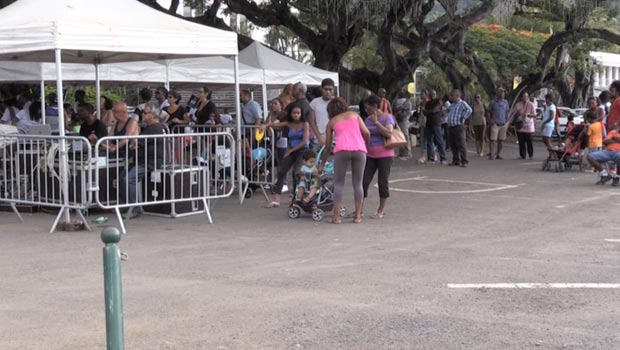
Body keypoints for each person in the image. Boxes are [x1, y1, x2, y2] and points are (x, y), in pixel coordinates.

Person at [318, 98, 370, 224]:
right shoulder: (354, 115)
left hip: (341, 150)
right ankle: (358, 215)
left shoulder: (331, 122)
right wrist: (365, 146)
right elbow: (367, 132)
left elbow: (328, 146)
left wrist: (322, 164)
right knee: (358, 183)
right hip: (359, 150)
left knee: (339, 183)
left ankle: (336, 217)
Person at [119, 102, 165, 219]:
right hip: (142, 160)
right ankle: (126, 205)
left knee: (129, 178)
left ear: (153, 114)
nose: (142, 115)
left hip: (150, 161)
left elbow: (136, 142)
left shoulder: (155, 128)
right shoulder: (149, 128)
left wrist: (135, 142)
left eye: (145, 113)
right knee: (123, 176)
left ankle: (134, 208)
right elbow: (135, 143)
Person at [262, 103, 309, 208]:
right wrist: (266, 125)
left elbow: (304, 142)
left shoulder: (305, 124)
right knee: (282, 171)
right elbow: (276, 124)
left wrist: (290, 150)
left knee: (296, 172)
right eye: (294, 113)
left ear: (301, 114)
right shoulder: (289, 123)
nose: (296, 115)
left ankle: (296, 198)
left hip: (302, 151)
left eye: (298, 113)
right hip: (292, 150)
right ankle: (276, 199)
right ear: (291, 114)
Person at [362, 95, 395, 219]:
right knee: (364, 181)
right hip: (370, 154)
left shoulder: (387, 117)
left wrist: (376, 123)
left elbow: (388, 133)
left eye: (368, 107)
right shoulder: (367, 119)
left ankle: (380, 210)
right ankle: (360, 208)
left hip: (385, 154)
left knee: (383, 181)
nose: (367, 110)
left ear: (375, 106)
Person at [445, 89, 472, 167]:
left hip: (458, 126)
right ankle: (456, 160)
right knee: (453, 144)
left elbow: (469, 110)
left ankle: (464, 160)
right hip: (451, 126)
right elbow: (447, 110)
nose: (451, 97)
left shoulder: (462, 103)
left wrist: (464, 117)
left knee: (461, 144)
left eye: (452, 95)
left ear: (457, 96)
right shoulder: (453, 104)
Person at [309, 78, 335, 148]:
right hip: (318, 138)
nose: (328, 92)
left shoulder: (336, 103)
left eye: (330, 90)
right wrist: (319, 137)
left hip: (335, 138)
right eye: (326, 89)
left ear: (333, 90)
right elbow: (312, 122)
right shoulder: (314, 102)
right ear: (321, 89)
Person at [424, 93, 447, 164]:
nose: (432, 95)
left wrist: (429, 111)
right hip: (428, 123)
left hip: (436, 123)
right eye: (431, 94)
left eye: (433, 93)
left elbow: (434, 109)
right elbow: (424, 112)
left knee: (439, 140)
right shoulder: (427, 103)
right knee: (429, 141)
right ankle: (430, 158)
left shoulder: (438, 101)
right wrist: (431, 111)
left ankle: (443, 158)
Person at [487, 88, 509, 160]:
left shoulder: (505, 102)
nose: (503, 95)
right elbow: (488, 112)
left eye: (503, 93)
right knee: (493, 140)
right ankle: (492, 154)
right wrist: (490, 120)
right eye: (501, 93)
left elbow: (506, 112)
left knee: (501, 140)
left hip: (503, 123)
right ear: (498, 94)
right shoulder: (493, 102)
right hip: (495, 123)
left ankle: (498, 154)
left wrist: (506, 120)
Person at [514, 92, 537, 160]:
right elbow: (515, 114)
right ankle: (522, 155)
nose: (525, 98)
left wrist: (528, 114)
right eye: (523, 96)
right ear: (521, 97)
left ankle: (531, 155)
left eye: (526, 96)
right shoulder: (518, 104)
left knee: (529, 142)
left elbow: (535, 115)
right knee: (521, 142)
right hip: (520, 125)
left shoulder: (531, 104)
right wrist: (518, 114)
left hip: (529, 126)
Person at [392, 91, 412, 158]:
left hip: (403, 120)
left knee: (404, 135)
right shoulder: (405, 102)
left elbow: (397, 109)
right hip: (402, 119)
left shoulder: (406, 102)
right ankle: (403, 152)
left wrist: (396, 109)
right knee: (402, 136)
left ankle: (406, 152)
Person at [541, 93, 557, 160]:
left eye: (546, 99)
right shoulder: (548, 107)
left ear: (548, 99)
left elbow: (551, 117)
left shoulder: (552, 107)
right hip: (546, 125)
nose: (545, 101)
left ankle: (553, 155)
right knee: (545, 140)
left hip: (548, 125)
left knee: (547, 140)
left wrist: (544, 123)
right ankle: (551, 153)